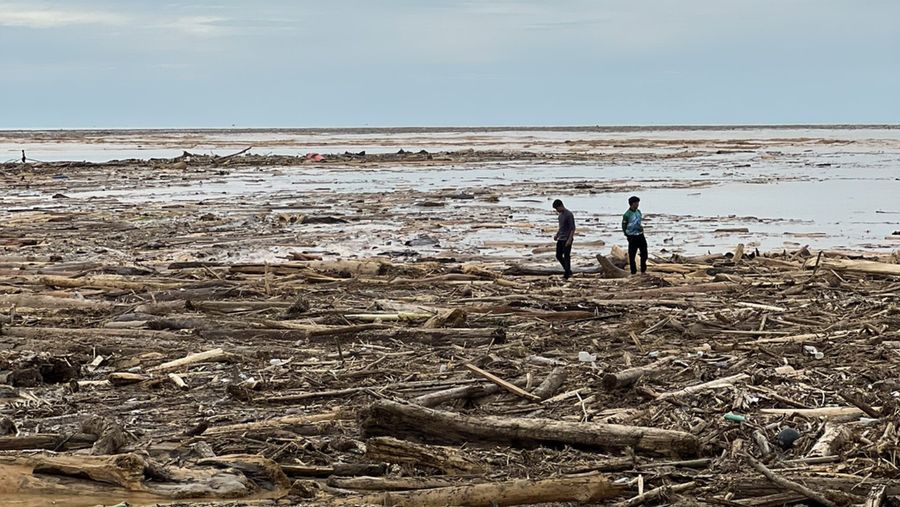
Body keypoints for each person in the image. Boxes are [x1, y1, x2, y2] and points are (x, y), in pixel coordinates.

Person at [622, 196, 647, 275]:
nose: (637, 204)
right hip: (632, 236)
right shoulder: (627, 214)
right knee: (632, 255)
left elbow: (639, 222)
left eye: (638, 203)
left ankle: (643, 269)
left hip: (640, 235)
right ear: (632, 204)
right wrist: (627, 235)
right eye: (636, 203)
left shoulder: (638, 212)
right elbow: (624, 225)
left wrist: (641, 228)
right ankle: (633, 272)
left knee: (644, 252)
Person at [552, 199, 575, 279]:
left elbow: (572, 228)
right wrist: (557, 235)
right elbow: (561, 227)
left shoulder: (569, 214)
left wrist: (569, 239)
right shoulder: (560, 216)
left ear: (561, 206)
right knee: (558, 255)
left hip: (567, 238)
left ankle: (567, 274)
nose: (557, 210)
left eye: (557, 208)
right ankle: (568, 271)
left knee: (566, 256)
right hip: (561, 238)